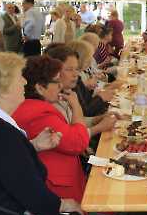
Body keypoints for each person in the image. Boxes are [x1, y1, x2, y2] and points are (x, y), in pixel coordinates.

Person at [0, 52, 84, 215]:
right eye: (19, 78)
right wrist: (64, 204)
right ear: (3, 90)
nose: (25, 82)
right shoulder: (1, 134)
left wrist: (32, 146)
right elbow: (33, 194)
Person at [12, 55, 90, 205]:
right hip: (56, 186)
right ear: (39, 87)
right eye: (56, 82)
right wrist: (76, 106)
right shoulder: (38, 114)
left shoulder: (33, 107)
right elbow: (78, 142)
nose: (61, 86)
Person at [67, 40, 114, 117]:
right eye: (88, 57)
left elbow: (86, 97)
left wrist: (96, 94)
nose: (90, 60)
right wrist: (101, 97)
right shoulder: (74, 78)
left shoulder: (78, 75)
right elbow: (85, 111)